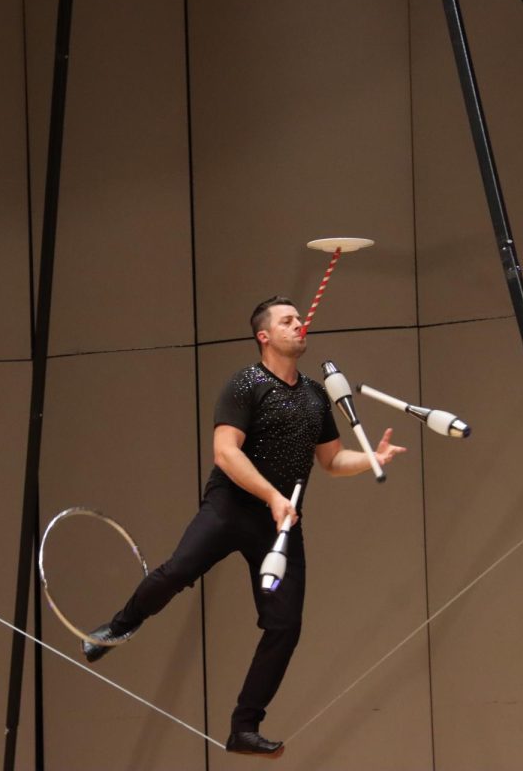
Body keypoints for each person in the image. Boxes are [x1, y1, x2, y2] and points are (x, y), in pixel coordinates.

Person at [82, 295, 405, 758]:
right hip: (231, 505)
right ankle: (115, 629)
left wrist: (371, 456)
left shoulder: (315, 394)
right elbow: (226, 452)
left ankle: (244, 727)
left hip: (280, 523)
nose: (300, 325)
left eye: (300, 319)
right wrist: (271, 495)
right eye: (288, 321)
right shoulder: (246, 384)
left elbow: (332, 460)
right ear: (264, 336)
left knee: (285, 625)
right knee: (177, 571)